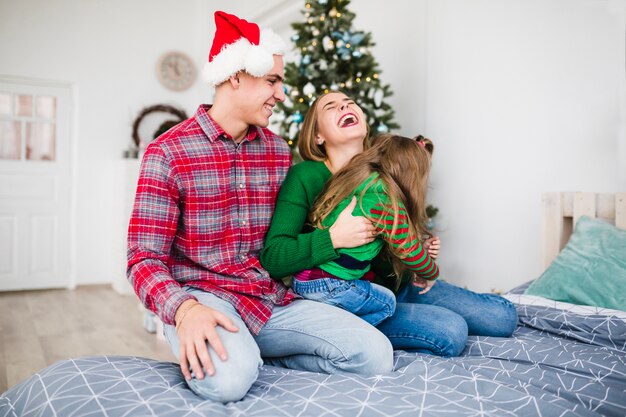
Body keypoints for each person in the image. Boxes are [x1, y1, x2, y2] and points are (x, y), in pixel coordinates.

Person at [127, 12, 393, 404]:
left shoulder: (277, 150)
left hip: (268, 297)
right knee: (230, 381)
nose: (281, 95)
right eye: (272, 80)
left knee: (376, 355)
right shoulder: (168, 153)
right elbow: (142, 257)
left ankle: (260, 359)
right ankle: (241, 356)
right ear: (236, 76)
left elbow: (293, 234)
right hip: (205, 298)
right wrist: (183, 310)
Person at [261, 91, 518, 357]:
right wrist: (334, 238)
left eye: (350, 102)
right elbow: (273, 257)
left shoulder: (386, 170)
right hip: (343, 297)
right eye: (331, 106)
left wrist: (418, 252)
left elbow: (398, 241)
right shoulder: (305, 176)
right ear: (318, 136)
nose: (345, 106)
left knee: (503, 317)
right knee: (451, 331)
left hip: (396, 287)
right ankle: (351, 333)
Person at [291, 134, 440, 327]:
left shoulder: (358, 182)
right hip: (326, 284)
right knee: (386, 303)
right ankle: (336, 332)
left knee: (368, 283)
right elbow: (410, 252)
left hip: (304, 278)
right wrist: (431, 275)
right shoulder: (387, 203)